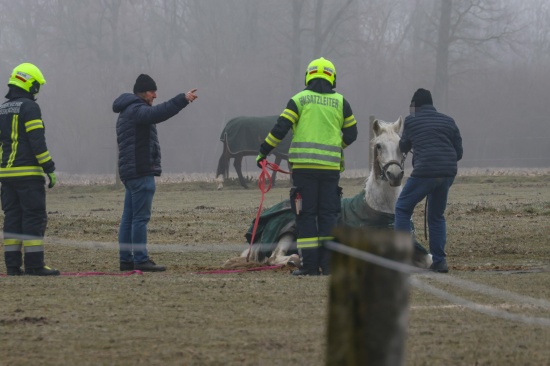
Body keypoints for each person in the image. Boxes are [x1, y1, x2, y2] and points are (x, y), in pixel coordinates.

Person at [256, 57, 358, 276]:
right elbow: (352, 134)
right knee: (329, 216)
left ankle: (310, 266)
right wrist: (335, 146)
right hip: (330, 171)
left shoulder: (299, 100)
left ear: (308, 76)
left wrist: (264, 151)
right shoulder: (341, 102)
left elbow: (280, 128)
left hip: (304, 171)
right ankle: (329, 266)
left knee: (306, 216)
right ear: (332, 78)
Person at [113, 74, 198, 272]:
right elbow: (159, 113)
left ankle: (126, 260)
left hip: (130, 173)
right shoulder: (136, 110)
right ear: (143, 93)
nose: (156, 95)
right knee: (140, 219)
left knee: (128, 218)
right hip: (141, 171)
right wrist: (182, 99)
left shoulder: (127, 110)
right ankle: (140, 259)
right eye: (152, 91)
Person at [0, 63, 60, 276]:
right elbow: (37, 142)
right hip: (28, 174)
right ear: (30, 83)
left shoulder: (2, 109)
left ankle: (13, 267)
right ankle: (35, 265)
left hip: (6, 176)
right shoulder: (30, 107)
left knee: (13, 218)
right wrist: (49, 168)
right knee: (33, 217)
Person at [394, 88, 463, 273]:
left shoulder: (411, 120)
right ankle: (439, 262)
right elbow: (459, 153)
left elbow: (403, 146)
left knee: (402, 208)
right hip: (447, 172)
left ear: (415, 106)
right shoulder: (449, 121)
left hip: (425, 172)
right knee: (436, 216)